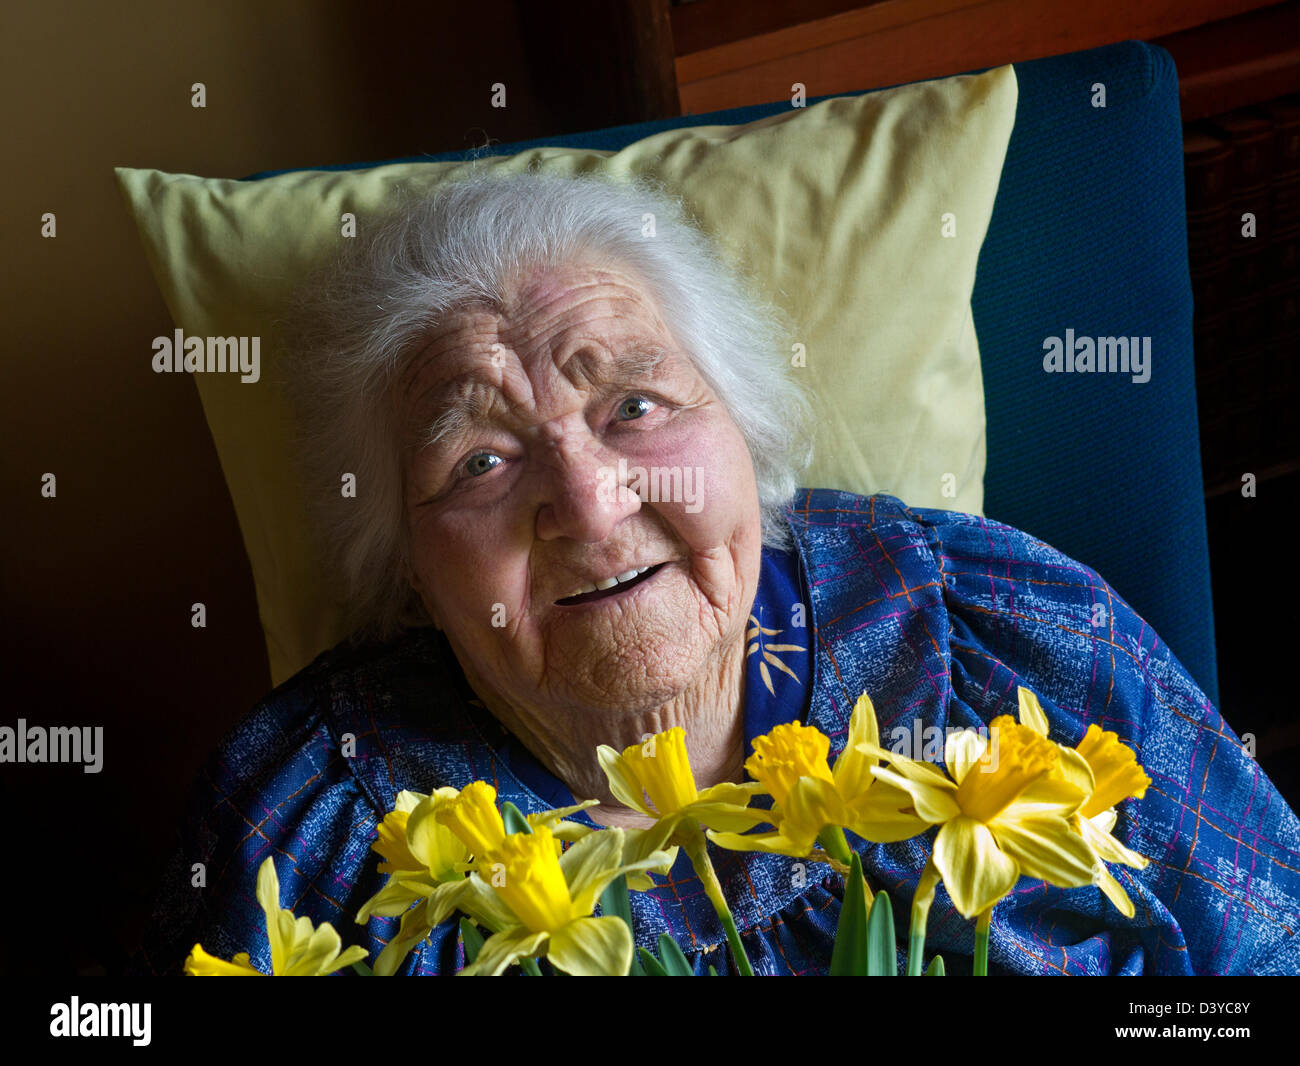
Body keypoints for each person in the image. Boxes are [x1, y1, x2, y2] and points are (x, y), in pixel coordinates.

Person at [135, 172, 1300, 976]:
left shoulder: (1004, 632)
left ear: (746, 431)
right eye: (478, 459)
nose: (589, 501)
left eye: (633, 405)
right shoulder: (307, 829)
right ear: (405, 572)